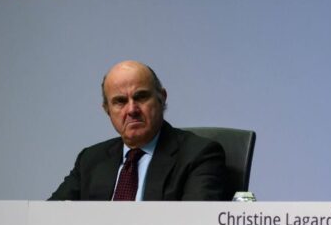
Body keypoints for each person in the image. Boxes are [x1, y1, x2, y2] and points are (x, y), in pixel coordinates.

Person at [49, 60, 227, 201]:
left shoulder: (198, 155)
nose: (132, 109)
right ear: (107, 109)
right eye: (120, 101)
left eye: (141, 97)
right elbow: (49, 217)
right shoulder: (90, 160)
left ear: (162, 98)